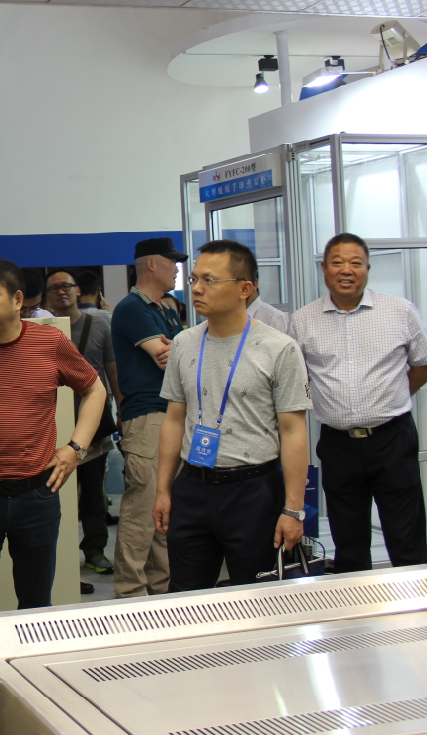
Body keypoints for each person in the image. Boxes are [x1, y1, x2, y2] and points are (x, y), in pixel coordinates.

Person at [152, 240, 310, 591]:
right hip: (192, 486)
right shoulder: (184, 343)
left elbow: (293, 431)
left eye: (209, 280)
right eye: (194, 279)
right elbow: (174, 419)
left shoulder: (279, 348)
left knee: (257, 598)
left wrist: (292, 509)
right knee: (185, 596)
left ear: (244, 288)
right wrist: (163, 490)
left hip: (252, 491)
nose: (196, 288)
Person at [0, 259, 105, 613]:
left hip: (37, 494)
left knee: (37, 606)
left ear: (17, 300)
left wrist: (75, 449)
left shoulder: (49, 342)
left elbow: (94, 389)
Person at [289, 232, 427, 573]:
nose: (347, 270)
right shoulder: (303, 320)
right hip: (338, 444)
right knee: (349, 543)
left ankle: (417, 604)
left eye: (355, 263)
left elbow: (424, 366)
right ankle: (357, 605)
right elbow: (298, 379)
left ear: (368, 268)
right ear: (324, 268)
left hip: (392, 439)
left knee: (407, 539)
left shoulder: (400, 310)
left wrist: (392, 396)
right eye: (337, 262)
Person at [110, 236, 186, 598]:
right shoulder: (132, 308)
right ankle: (129, 594)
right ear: (152, 264)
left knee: (163, 511)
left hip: (170, 418)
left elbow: (182, 353)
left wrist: (181, 349)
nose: (177, 270)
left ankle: (160, 589)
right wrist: (183, 349)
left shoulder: (164, 310)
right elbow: (168, 358)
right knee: (141, 513)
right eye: (172, 262)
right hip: (148, 419)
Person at [45, 269, 122, 577]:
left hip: (92, 429)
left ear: (78, 290)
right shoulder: (42, 330)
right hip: (53, 430)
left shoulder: (99, 324)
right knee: (56, 495)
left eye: (67, 286)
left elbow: (112, 371)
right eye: (54, 288)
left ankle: (94, 550)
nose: (61, 291)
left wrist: (122, 408)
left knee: (93, 494)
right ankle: (61, 561)